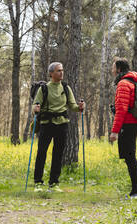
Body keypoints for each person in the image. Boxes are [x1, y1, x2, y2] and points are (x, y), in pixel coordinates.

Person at [32, 62, 85, 192]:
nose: (61, 73)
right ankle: (38, 183)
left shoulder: (66, 88)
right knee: (41, 153)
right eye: (58, 71)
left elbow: (72, 106)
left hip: (62, 124)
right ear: (51, 74)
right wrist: (36, 109)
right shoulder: (43, 89)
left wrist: (80, 107)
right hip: (46, 124)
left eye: (62, 70)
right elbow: (35, 106)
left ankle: (54, 183)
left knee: (58, 154)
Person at [109, 57, 137, 198]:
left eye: (113, 67)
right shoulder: (133, 82)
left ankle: (136, 191)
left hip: (127, 124)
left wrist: (114, 131)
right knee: (130, 157)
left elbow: (122, 109)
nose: (112, 70)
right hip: (133, 123)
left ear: (119, 69)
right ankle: (135, 190)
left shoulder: (123, 83)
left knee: (130, 157)